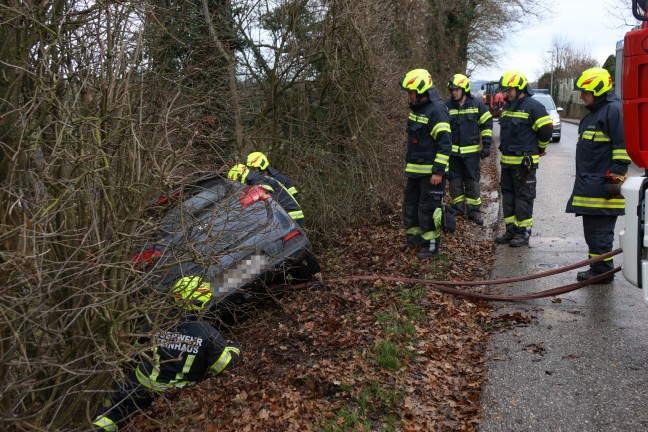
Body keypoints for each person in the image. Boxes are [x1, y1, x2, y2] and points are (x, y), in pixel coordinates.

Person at [92, 277, 241, 431]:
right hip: (174, 392)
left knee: (109, 416)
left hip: (138, 385)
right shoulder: (208, 333)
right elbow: (222, 366)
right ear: (201, 303)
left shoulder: (156, 323)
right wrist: (233, 348)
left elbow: (133, 350)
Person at [565, 68, 631, 283]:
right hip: (590, 185)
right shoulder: (595, 113)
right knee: (592, 233)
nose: (581, 95)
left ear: (598, 89)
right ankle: (598, 268)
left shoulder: (613, 111)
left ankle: (602, 272)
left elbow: (623, 147)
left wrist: (616, 176)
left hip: (604, 185)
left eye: (585, 91)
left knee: (601, 233)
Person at [495, 70, 553, 247]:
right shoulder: (507, 107)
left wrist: (540, 148)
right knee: (508, 197)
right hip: (507, 163)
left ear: (520, 88)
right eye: (505, 89)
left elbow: (546, 130)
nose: (506, 93)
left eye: (509, 89)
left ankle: (522, 233)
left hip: (524, 165)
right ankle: (511, 230)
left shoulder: (533, 106)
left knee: (523, 198)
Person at [400, 69, 452, 259]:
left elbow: (445, 144)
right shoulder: (417, 109)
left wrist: (438, 172)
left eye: (411, 92)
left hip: (432, 174)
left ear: (422, 91)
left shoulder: (436, 111)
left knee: (428, 209)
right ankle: (414, 242)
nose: (409, 96)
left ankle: (431, 247)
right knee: (410, 206)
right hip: (415, 171)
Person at [445, 73, 493, 225]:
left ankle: (474, 211)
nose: (454, 92)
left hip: (471, 155)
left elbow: (487, 124)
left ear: (464, 89)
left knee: (472, 182)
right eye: (452, 90)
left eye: (456, 89)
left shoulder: (477, 105)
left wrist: (486, 145)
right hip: (453, 155)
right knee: (455, 182)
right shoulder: (446, 107)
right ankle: (458, 208)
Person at [228, 163, 304, 227]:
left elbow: (269, 197)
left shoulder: (257, 180)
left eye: (237, 180)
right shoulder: (259, 177)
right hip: (292, 215)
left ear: (239, 176)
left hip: (291, 217)